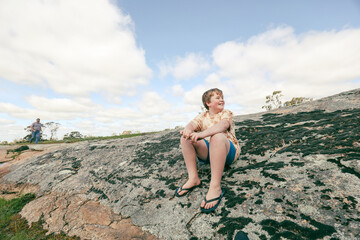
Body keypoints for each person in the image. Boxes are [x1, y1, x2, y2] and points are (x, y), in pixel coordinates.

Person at [175, 88, 240, 213]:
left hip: (227, 152)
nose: (222, 99)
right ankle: (193, 178)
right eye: (217, 97)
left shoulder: (226, 113)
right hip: (210, 153)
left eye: (222, 97)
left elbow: (223, 125)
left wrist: (202, 134)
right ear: (208, 103)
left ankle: (215, 187)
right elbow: (191, 125)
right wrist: (188, 130)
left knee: (218, 136)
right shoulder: (202, 116)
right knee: (185, 138)